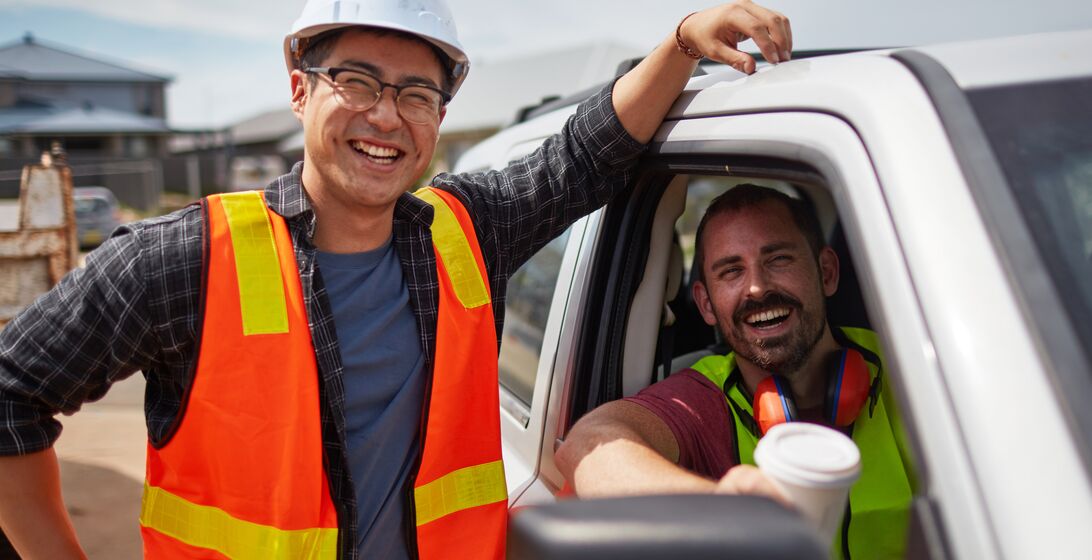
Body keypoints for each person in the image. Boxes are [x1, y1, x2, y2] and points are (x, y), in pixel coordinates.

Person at [0, 1, 793, 559]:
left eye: (418, 93)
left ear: (440, 116)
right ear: (299, 87)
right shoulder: (185, 260)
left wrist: (684, 40)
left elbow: (583, 158)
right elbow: (10, 392)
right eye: (359, 81)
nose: (388, 116)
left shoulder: (460, 234)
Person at [556, 185, 916, 559]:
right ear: (706, 304)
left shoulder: (908, 366)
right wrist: (717, 508)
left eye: (778, 259)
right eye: (731, 271)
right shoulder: (701, 398)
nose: (757, 287)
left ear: (826, 272)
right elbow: (588, 444)